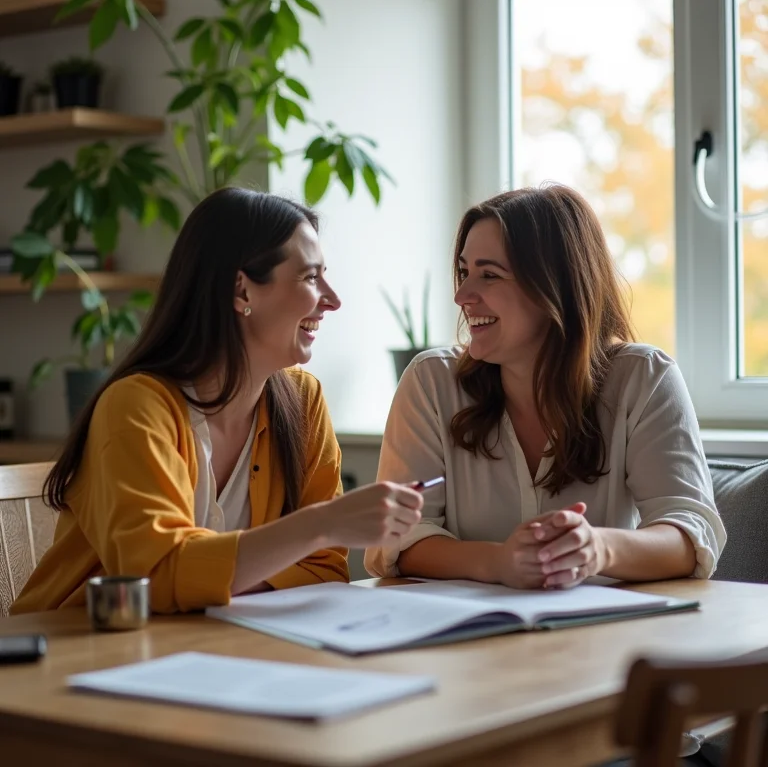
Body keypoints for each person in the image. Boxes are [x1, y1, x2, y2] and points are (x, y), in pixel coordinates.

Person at [12, 188, 422, 615]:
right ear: (241, 291)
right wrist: (320, 525)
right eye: (310, 277)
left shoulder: (304, 401)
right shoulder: (134, 408)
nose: (333, 300)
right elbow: (155, 578)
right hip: (76, 645)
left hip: (210, 642)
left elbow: (323, 569)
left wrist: (208, 580)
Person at [365, 184, 725, 589]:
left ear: (556, 286)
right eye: (465, 272)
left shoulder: (645, 378)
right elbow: (396, 540)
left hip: (606, 626)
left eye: (489, 275)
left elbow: (690, 535)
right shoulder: (431, 382)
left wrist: (598, 549)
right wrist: (499, 562)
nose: (462, 295)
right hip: (464, 627)